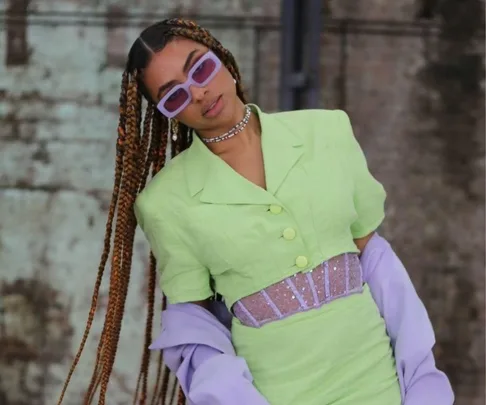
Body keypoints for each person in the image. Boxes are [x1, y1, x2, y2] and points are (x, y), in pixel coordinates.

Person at [56, 18, 454, 405]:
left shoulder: (327, 131)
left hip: (376, 380)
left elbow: (377, 261)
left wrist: (419, 371)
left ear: (224, 61)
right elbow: (195, 321)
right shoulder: (163, 204)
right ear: (167, 113)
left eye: (201, 68)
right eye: (174, 95)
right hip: (274, 392)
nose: (198, 93)